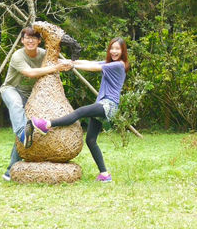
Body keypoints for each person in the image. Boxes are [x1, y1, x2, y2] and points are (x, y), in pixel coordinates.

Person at [29, 37, 129, 183]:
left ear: (123, 51)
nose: (114, 51)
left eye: (117, 49)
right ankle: (104, 174)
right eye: (112, 48)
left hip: (109, 105)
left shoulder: (119, 65)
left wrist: (72, 65)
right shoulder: (110, 63)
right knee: (90, 140)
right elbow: (91, 62)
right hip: (103, 103)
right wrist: (69, 62)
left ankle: (47, 124)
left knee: (80, 112)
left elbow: (93, 68)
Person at [0, 26, 72, 181]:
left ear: (39, 41)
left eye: (34, 38)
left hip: (31, 96)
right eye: (27, 38)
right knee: (16, 106)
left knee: (30, 132)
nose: (30, 41)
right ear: (22, 40)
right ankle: (22, 133)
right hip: (11, 90)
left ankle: (9, 171)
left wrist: (68, 64)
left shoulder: (43, 54)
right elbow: (30, 73)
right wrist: (56, 67)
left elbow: (57, 61)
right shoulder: (18, 56)